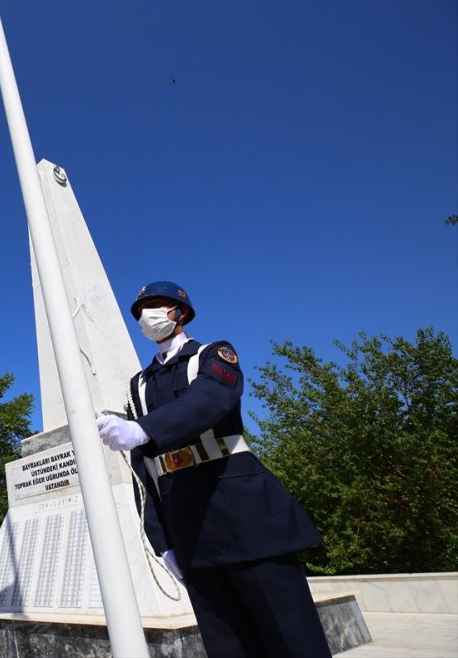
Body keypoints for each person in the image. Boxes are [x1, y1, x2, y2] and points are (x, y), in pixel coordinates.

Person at [94, 280, 332, 658]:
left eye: (158, 305)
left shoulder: (213, 355)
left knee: (291, 640)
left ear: (181, 313)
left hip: (246, 517)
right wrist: (163, 542)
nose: (148, 314)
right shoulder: (138, 384)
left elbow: (210, 400)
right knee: (227, 645)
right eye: (143, 309)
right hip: (190, 532)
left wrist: (143, 429)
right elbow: (146, 470)